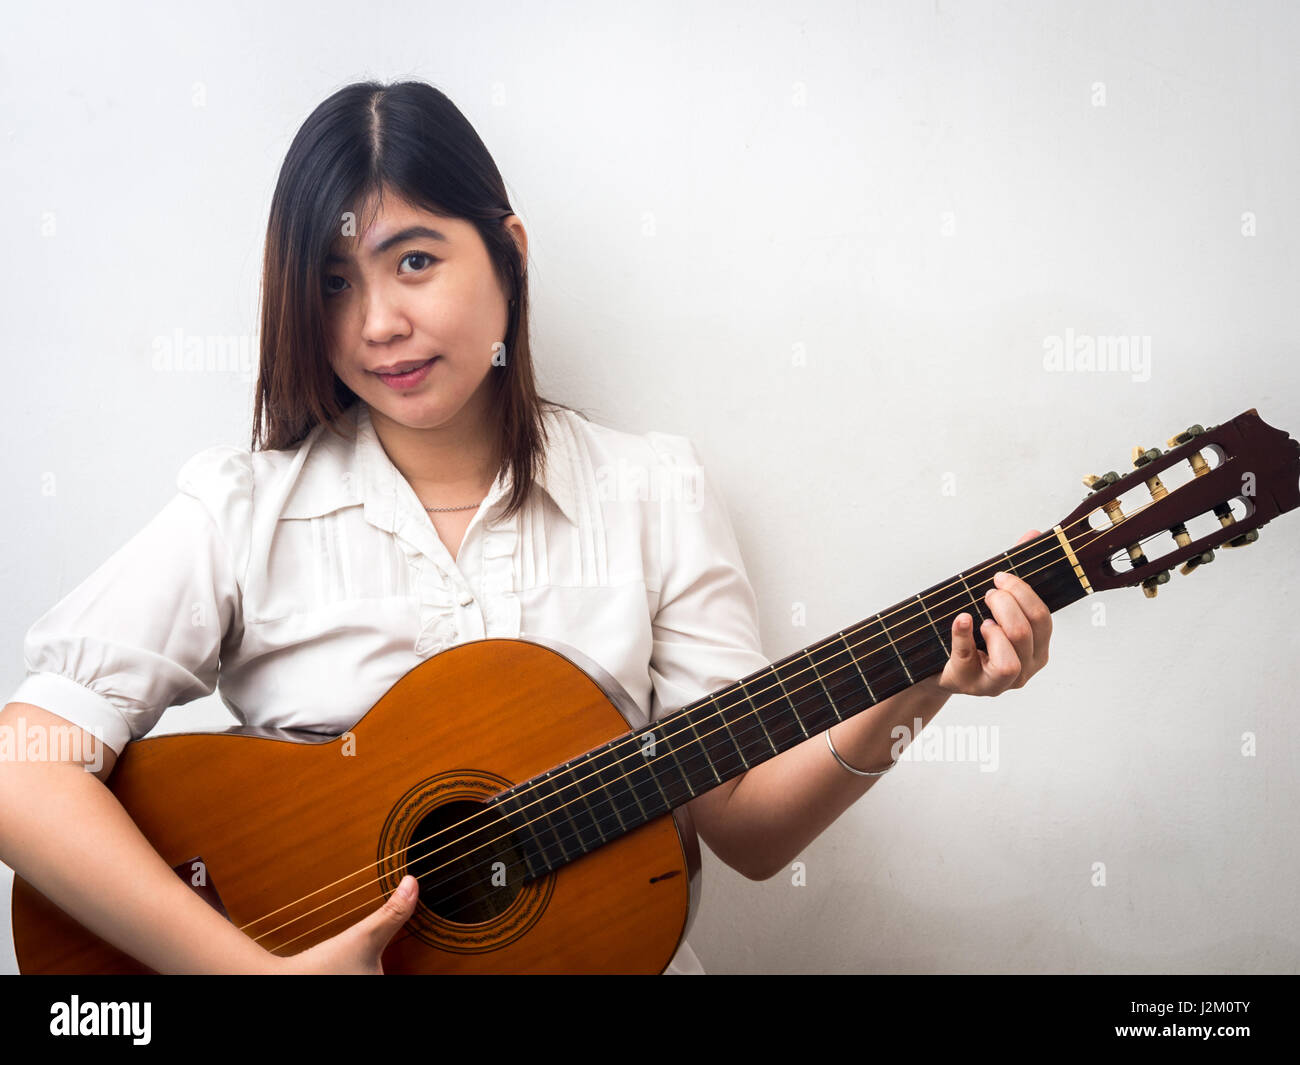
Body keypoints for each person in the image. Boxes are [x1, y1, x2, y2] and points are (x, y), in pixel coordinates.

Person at [0, 80, 1053, 975]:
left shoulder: (653, 491)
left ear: (507, 252)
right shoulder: (241, 510)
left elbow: (745, 829)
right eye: (334, 282)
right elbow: (22, 768)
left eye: (414, 261)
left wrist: (920, 686)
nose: (376, 324)